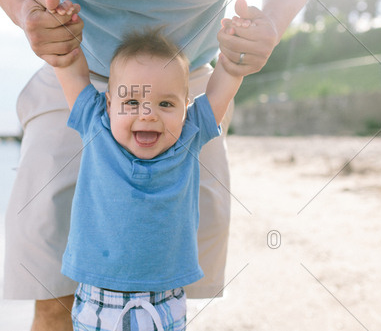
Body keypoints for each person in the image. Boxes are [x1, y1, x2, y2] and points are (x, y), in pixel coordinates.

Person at [0, 0, 318, 330]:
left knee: (181, 267)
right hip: (79, 64)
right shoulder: (91, 111)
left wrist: (267, 28)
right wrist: (22, 9)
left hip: (188, 80)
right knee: (49, 282)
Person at [53, 26, 243, 330]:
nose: (148, 114)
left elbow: (222, 88)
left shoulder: (188, 137)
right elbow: (70, 71)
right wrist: (64, 37)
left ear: (185, 109)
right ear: (109, 105)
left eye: (166, 103)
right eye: (131, 102)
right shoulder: (95, 124)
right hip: (98, 301)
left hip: (163, 303)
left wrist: (233, 65)